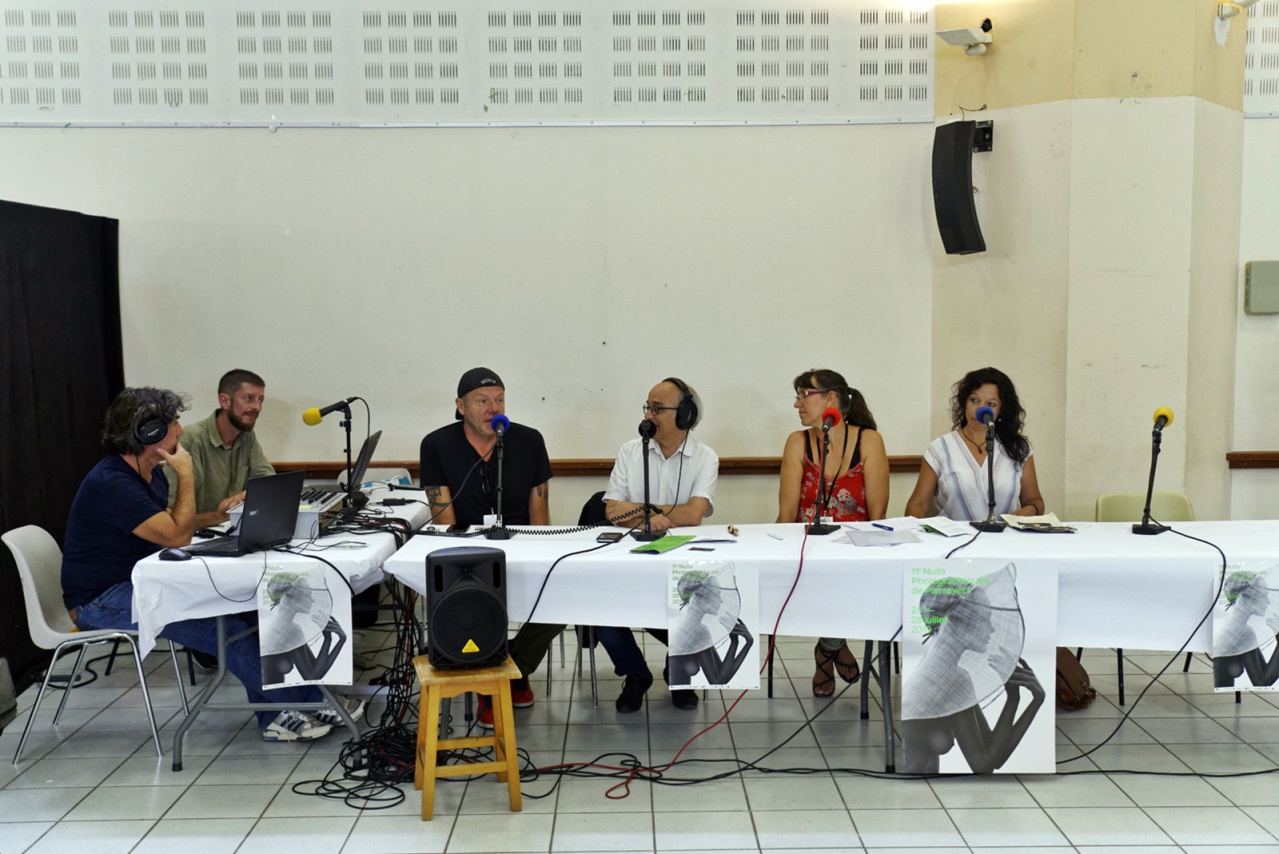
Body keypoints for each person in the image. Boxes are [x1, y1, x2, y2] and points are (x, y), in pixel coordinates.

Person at [62, 387, 353, 741]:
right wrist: (186, 474)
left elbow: (170, 523)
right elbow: (176, 536)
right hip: (99, 600)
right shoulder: (112, 482)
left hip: (142, 581)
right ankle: (311, 702)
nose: (180, 431)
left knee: (248, 610)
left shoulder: (146, 472)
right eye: (173, 423)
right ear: (149, 433)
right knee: (224, 629)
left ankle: (275, 716)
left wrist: (222, 515)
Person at [418, 367, 558, 726]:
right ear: (461, 406)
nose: (493, 408)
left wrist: (540, 558)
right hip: (467, 555)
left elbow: (539, 513)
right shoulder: (436, 445)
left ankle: (509, 672)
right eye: (482, 401)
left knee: (561, 597)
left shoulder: (529, 441)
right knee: (471, 602)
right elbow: (444, 520)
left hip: (522, 546)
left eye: (499, 400)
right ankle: (493, 682)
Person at [596, 377, 719, 712]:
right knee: (599, 609)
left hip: (683, 564)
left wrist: (639, 510)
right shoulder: (629, 451)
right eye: (647, 407)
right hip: (631, 558)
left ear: (685, 415)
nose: (647, 415)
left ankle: (679, 672)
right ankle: (635, 673)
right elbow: (612, 510)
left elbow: (693, 515)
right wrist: (650, 515)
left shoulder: (705, 457)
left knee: (703, 613)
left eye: (657, 408)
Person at [776, 369, 889, 697]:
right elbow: (786, 514)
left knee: (843, 578)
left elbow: (878, 516)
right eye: (797, 395)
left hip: (855, 552)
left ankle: (826, 649)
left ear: (831, 398)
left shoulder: (869, 440)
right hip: (808, 550)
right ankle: (833, 646)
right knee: (819, 577)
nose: (797, 403)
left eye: (804, 395)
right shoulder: (797, 442)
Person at [900, 566, 1045, 774]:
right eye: (984, 618)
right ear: (962, 624)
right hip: (914, 790)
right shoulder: (952, 677)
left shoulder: (942, 671)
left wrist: (1032, 700)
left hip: (920, 788)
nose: (991, 628)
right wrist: (1014, 700)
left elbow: (994, 756)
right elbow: (983, 766)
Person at [904, 367, 1044, 521]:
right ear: (964, 402)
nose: (980, 409)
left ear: (1002, 410)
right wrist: (917, 528)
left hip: (1005, 534)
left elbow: (1035, 502)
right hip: (954, 535)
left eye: (991, 404)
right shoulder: (940, 448)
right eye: (974, 400)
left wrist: (1028, 511)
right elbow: (917, 504)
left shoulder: (1018, 448)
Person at [165, 369, 274, 530]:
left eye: (260, 400)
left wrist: (244, 495)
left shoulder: (247, 436)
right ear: (225, 401)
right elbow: (168, 513)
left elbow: (269, 483)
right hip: (195, 535)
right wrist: (220, 515)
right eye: (249, 398)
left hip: (229, 530)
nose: (256, 407)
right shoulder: (192, 438)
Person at [1213, 570, 1279, 689]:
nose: (1268, 601)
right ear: (1249, 597)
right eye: (1264, 595)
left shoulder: (1234, 626)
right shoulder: (1243, 632)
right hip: (1222, 698)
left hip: (1221, 698)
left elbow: (1265, 674)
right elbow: (1262, 683)